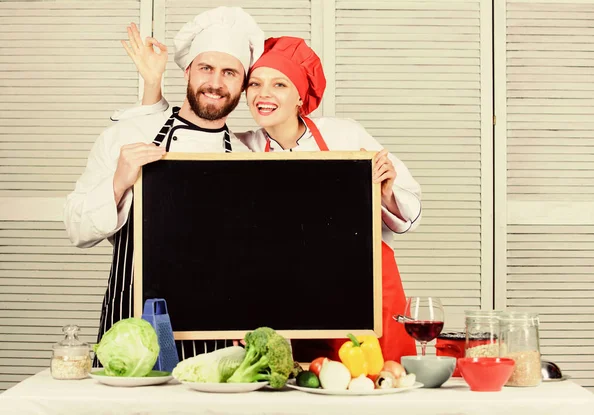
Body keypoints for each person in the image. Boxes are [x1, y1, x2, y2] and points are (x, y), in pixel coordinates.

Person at [118, 34, 422, 363]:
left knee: (382, 388)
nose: (264, 94)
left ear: (300, 98)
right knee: (306, 383)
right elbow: (175, 146)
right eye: (255, 84)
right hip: (294, 296)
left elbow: (410, 215)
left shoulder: (345, 134)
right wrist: (153, 84)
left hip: (366, 290)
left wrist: (387, 192)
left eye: (279, 85)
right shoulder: (237, 147)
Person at [63, 6, 265, 364]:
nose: (216, 83)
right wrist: (118, 181)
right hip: (134, 334)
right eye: (206, 68)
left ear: (242, 84)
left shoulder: (249, 153)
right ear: (188, 71)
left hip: (219, 342)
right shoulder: (128, 135)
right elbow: (77, 229)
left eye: (229, 72)